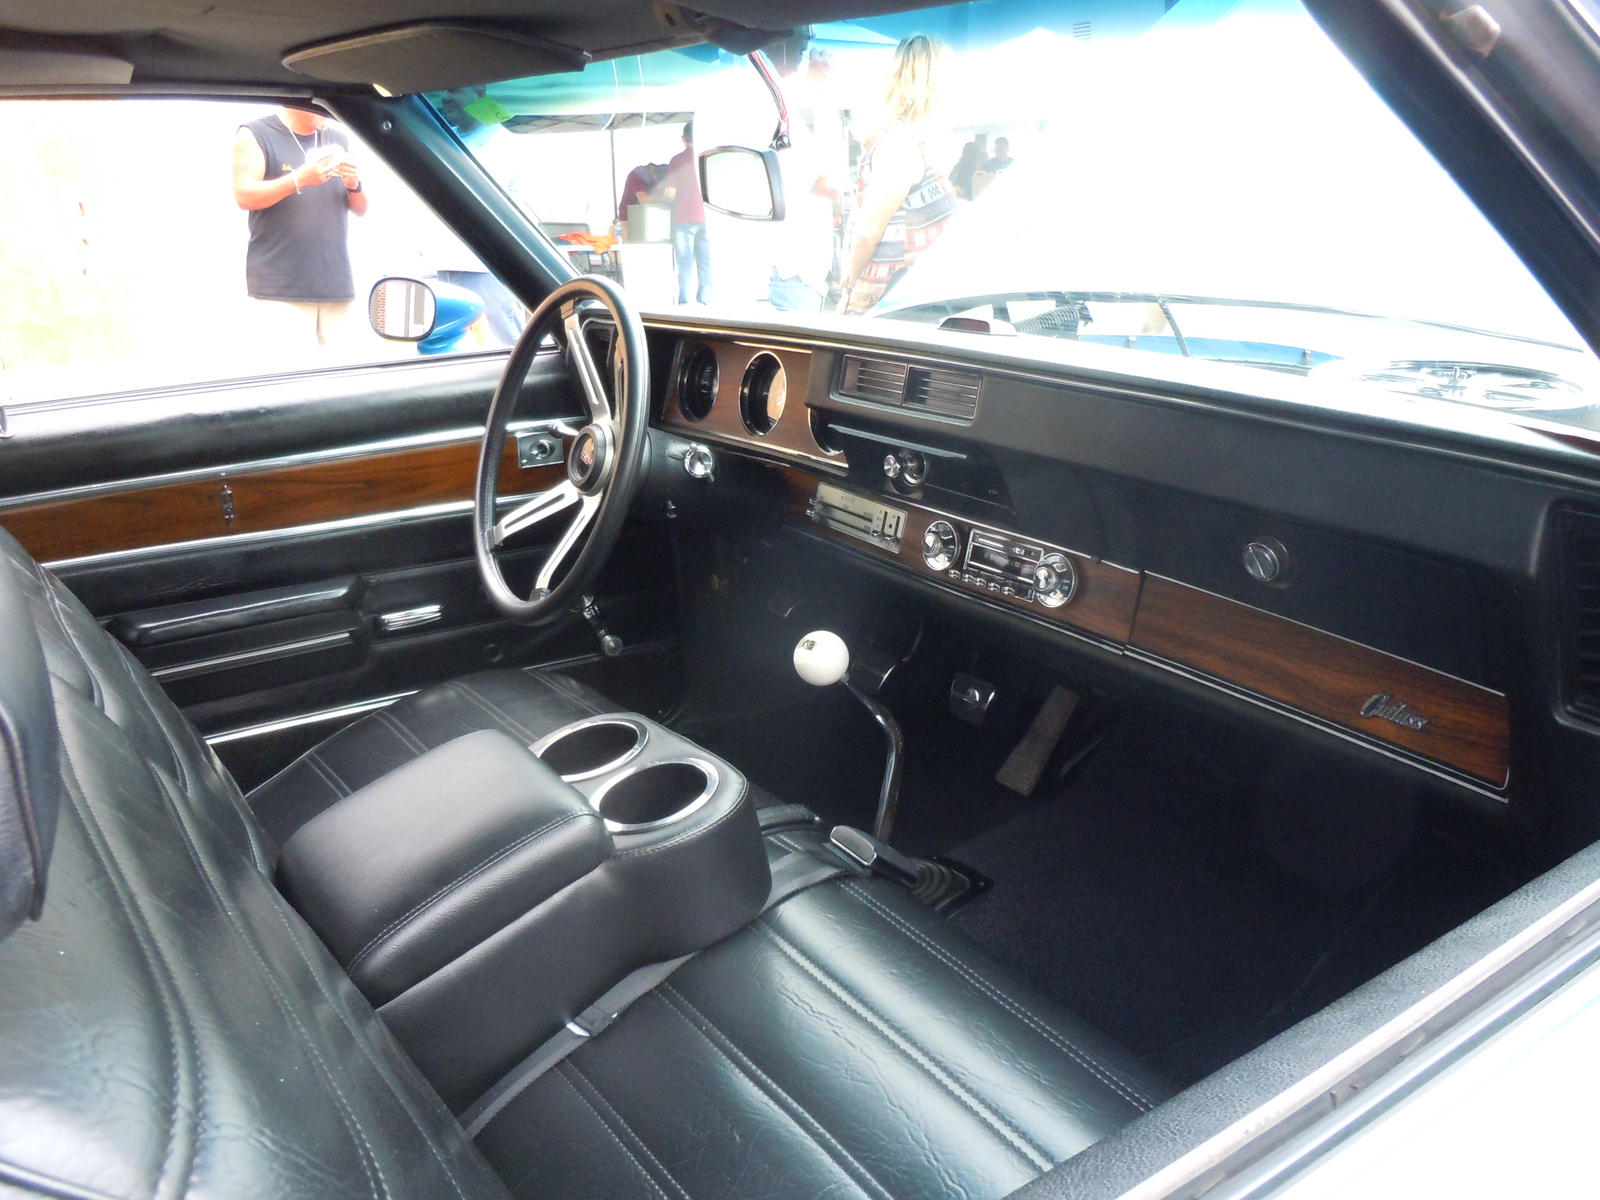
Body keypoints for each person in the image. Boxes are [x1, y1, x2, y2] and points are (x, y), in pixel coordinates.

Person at [839, 35, 959, 315]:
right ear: (933, 83)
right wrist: (848, 289)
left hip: (901, 308)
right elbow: (868, 232)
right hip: (892, 312)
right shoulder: (900, 144)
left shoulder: (906, 140)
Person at [232, 107, 368, 348]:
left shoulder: (337, 140)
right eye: (319, 104)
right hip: (281, 286)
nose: (327, 111)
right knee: (289, 377)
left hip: (335, 282)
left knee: (346, 375)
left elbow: (360, 209)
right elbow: (244, 195)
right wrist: (299, 179)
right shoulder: (256, 133)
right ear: (297, 101)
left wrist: (353, 184)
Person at [665, 121, 711, 304]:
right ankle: (706, 302)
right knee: (705, 264)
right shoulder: (706, 157)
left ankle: (685, 304)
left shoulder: (676, 161)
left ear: (684, 139)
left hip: (682, 220)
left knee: (684, 265)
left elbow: (670, 194)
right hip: (706, 218)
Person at [616, 161, 667, 227]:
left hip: (649, 216)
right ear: (656, 176)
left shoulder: (660, 175)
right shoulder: (638, 174)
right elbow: (644, 200)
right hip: (628, 218)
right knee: (633, 237)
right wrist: (668, 198)